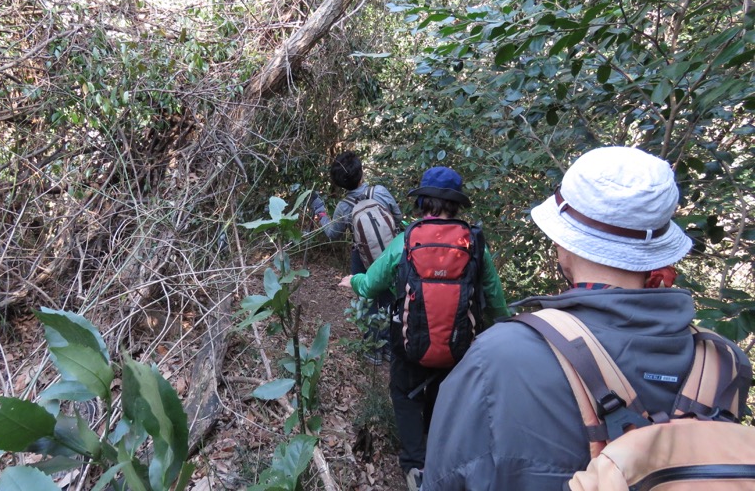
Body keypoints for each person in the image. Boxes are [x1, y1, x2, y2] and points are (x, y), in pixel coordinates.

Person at [423, 146, 752, 490]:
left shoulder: (499, 356)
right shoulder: (724, 366)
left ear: (563, 243)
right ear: (656, 251)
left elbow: (445, 478)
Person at [339, 166, 509, 491]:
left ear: (423, 203)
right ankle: (440, 456)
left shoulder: (406, 241)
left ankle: (415, 465)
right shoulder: (474, 243)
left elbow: (373, 284)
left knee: (403, 393)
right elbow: (495, 301)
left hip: (409, 345)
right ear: (456, 204)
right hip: (459, 347)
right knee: (443, 393)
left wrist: (354, 281)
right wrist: (504, 332)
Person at [311, 151, 403, 364]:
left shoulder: (344, 206)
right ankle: (389, 347)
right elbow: (397, 217)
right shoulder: (379, 191)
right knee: (390, 297)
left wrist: (322, 214)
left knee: (368, 297)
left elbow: (333, 234)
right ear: (361, 171)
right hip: (392, 253)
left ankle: (372, 349)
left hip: (362, 257)